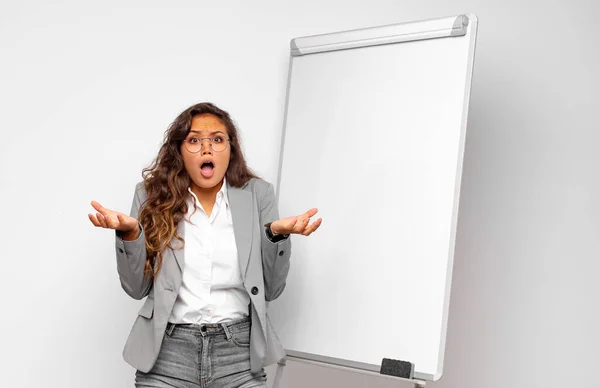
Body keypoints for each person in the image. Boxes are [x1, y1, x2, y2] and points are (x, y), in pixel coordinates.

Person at [88, 102, 322, 388]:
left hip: (238, 356)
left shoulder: (258, 195)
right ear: (180, 151)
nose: (207, 149)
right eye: (195, 140)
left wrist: (275, 236)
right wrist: (130, 234)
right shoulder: (151, 196)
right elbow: (136, 288)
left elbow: (271, 291)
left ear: (231, 149)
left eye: (217, 139)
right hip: (167, 356)